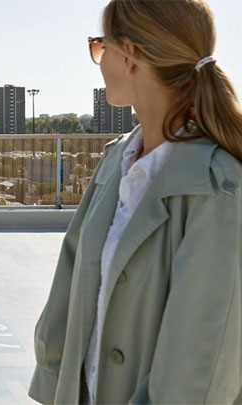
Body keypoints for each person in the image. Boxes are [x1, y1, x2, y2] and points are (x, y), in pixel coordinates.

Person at [29, 0, 242, 403]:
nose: (98, 58)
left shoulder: (218, 186)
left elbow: (200, 369)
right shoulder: (118, 160)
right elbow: (73, 276)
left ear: (131, 55)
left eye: (100, 45)